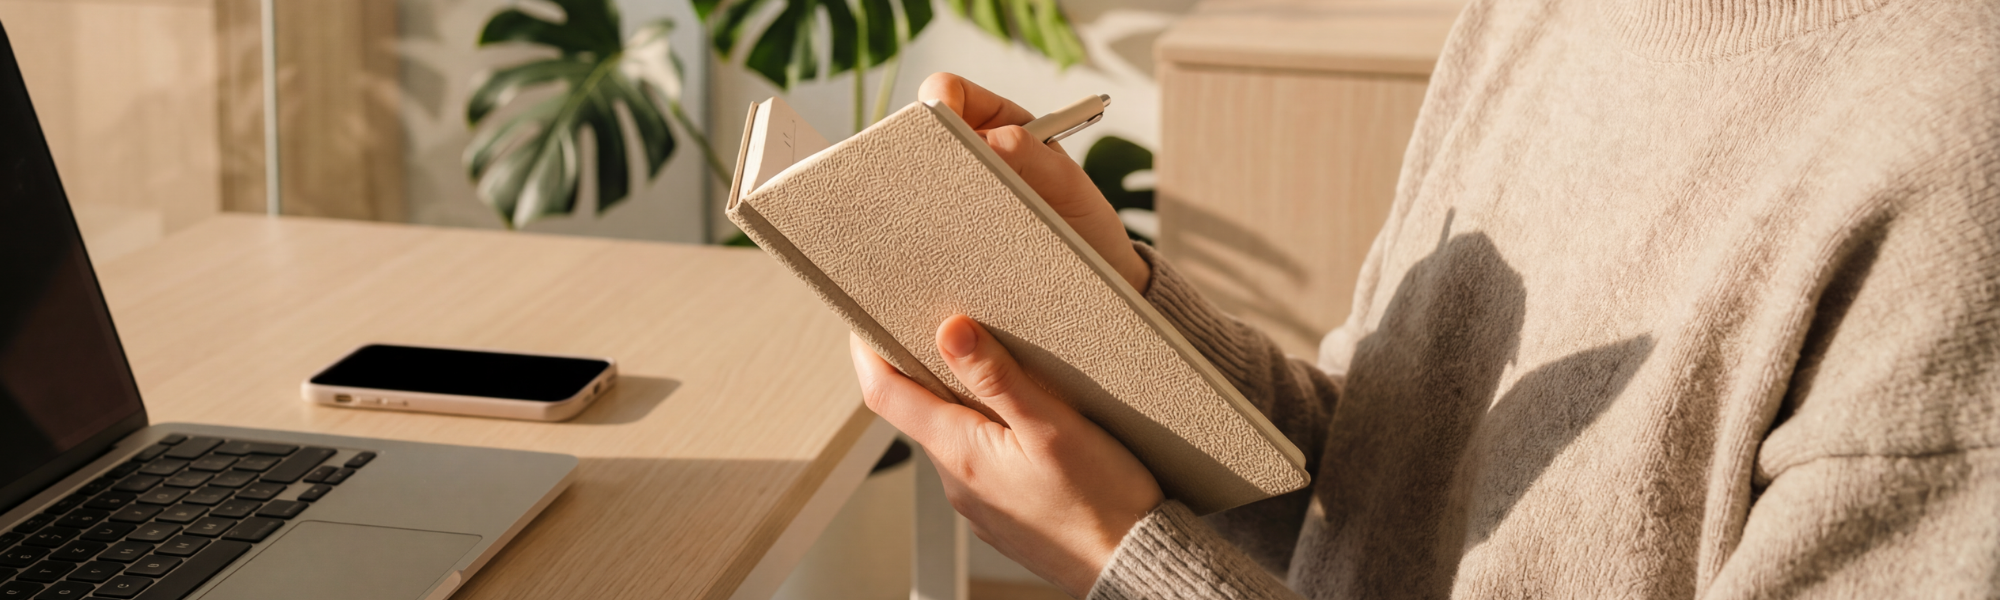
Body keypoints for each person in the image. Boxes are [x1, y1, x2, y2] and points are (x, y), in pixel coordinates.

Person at [852, 0, 2000, 596]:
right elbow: (1389, 478)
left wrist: (1130, 560)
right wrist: (1118, 308)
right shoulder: (1544, 18)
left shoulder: (1953, 155)